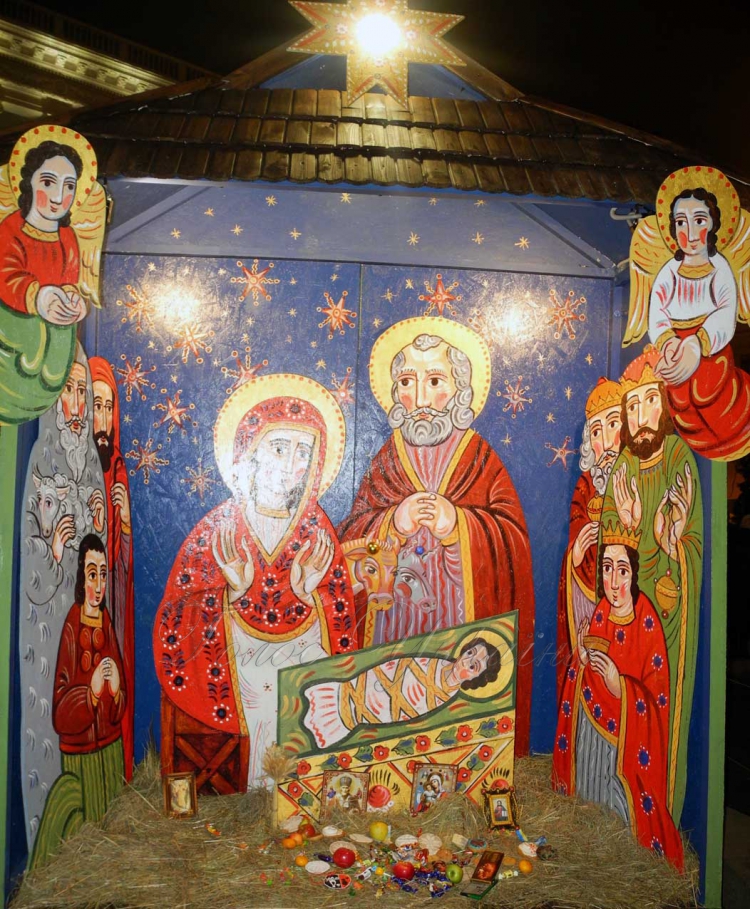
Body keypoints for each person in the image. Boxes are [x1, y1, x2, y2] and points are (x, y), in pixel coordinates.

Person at [338, 318, 535, 755]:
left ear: (461, 390)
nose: (422, 399)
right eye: (408, 382)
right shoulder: (387, 460)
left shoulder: (479, 459)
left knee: (449, 718)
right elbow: (350, 537)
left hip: (458, 625)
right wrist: (393, 522)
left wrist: (458, 526)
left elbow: (512, 543)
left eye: (435, 381)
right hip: (393, 627)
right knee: (394, 705)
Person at [153, 376, 357, 789]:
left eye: (303, 452)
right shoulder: (218, 529)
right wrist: (231, 591)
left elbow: (339, 620)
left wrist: (308, 595)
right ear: (251, 451)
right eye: (279, 447)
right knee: (268, 694)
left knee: (314, 691)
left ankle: (306, 793)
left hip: (301, 650)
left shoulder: (317, 531)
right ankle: (263, 794)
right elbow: (178, 614)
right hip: (236, 657)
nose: (291, 464)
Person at [601, 348, 702, 826]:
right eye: (633, 405)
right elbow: (611, 558)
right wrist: (628, 523)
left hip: (668, 615)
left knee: (658, 711)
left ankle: (655, 809)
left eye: (650, 401)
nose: (641, 417)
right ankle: (616, 805)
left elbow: (690, 545)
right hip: (627, 621)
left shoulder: (680, 458)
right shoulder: (623, 464)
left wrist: (671, 542)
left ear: (665, 405)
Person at [552, 531, 684, 871]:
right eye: (607, 568)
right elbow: (585, 676)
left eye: (622, 570)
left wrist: (620, 686)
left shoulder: (647, 622)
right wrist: (582, 660)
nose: (613, 582)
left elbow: (655, 701)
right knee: (589, 805)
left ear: (634, 574)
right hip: (592, 740)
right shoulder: (601, 612)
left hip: (626, 744)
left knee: (617, 814)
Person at [625, 167, 750, 460]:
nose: (691, 234)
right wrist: (668, 342)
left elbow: (725, 312)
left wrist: (697, 344)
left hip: (710, 350)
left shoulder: (720, 269)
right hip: (675, 347)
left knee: (711, 396)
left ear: (714, 224)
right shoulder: (668, 271)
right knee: (683, 403)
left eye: (700, 221)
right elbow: (657, 312)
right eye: (681, 222)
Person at [30, 535, 127, 868]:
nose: (99, 585)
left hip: (110, 751)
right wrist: (91, 692)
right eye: (92, 574)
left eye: (103, 574)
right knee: (85, 840)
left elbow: (120, 703)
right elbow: (60, 715)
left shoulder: (106, 622)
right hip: (81, 755)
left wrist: (116, 690)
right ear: (80, 579)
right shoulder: (73, 625)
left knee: (112, 833)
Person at [0, 127, 103, 425]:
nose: (59, 197)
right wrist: (39, 296)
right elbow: (6, 276)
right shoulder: (10, 229)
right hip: (13, 328)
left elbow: (71, 279)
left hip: (51, 341)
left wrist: (74, 299)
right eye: (48, 182)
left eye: (69, 186)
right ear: (28, 184)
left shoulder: (68, 237)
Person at [303, 636, 500, 748]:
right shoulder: (433, 662)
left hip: (360, 716)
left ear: (476, 678)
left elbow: (407, 711)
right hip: (351, 689)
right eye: (470, 653)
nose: (465, 662)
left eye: (473, 666)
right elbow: (392, 669)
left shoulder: (444, 696)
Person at [556, 377, 622, 699]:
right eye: (596, 432)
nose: (605, 441)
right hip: (587, 599)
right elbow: (575, 534)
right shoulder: (586, 485)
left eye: (613, 425)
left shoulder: (637, 480)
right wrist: (577, 555)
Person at [90, 357, 135, 781]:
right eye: (95, 406)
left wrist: (123, 525)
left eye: (108, 408)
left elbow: (123, 565)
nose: (102, 420)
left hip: (108, 604)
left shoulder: (116, 466)